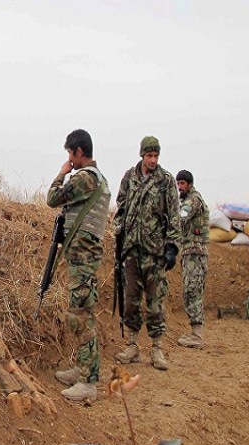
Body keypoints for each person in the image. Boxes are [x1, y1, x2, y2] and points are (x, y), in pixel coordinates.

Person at [47, 129, 111, 401]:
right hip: (83, 256)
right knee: (81, 313)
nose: (69, 160)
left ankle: (88, 382)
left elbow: (52, 198)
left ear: (78, 152)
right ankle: (83, 369)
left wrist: (62, 173)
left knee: (80, 316)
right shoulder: (97, 179)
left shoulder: (85, 178)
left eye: (69, 155)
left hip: (83, 258)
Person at [112, 136, 181, 370]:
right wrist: (119, 235)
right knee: (130, 300)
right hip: (132, 248)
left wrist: (172, 246)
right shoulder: (129, 177)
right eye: (149, 155)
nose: (152, 160)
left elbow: (173, 215)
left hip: (155, 251)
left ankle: (157, 348)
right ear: (142, 155)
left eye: (156, 156)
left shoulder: (166, 181)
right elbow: (120, 207)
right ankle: (132, 345)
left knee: (155, 303)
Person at [175, 170, 210, 348]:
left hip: (195, 254)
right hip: (189, 253)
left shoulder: (193, 200)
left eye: (182, 183)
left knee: (193, 290)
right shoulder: (186, 200)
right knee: (190, 290)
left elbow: (180, 218)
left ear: (189, 184)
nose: (180, 187)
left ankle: (197, 336)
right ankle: (195, 333)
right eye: (178, 183)